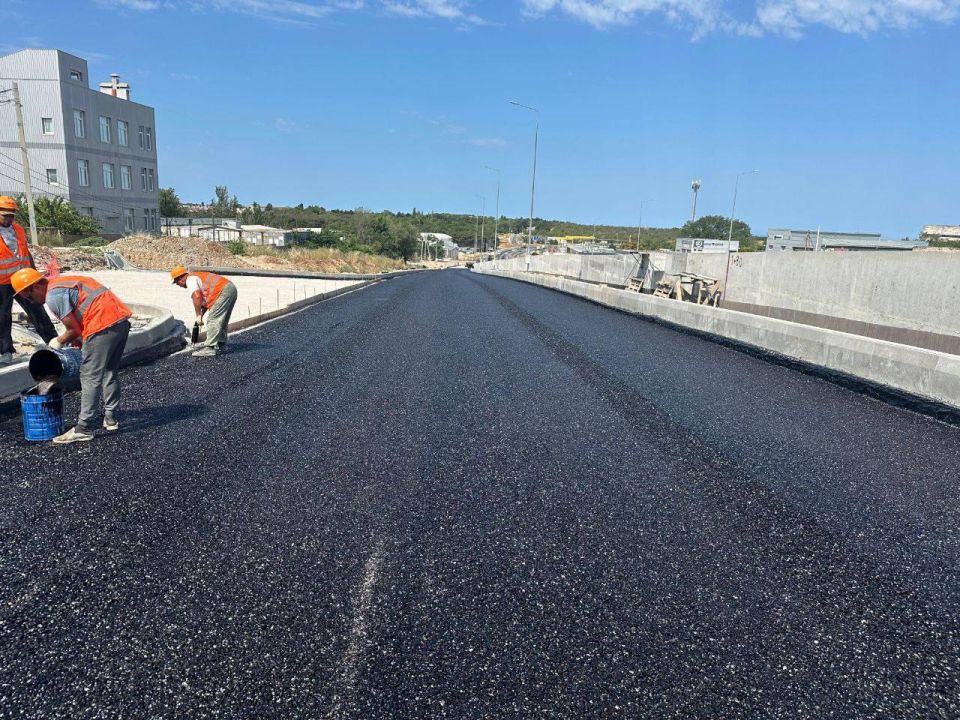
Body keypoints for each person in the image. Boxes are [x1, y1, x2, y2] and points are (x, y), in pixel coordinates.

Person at [11, 268, 132, 444]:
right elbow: (82, 315)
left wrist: (58, 341)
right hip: (120, 321)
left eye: (29, 298)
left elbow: (73, 330)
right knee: (108, 370)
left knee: (89, 376)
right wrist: (81, 342)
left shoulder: (53, 297)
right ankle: (111, 418)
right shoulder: (63, 283)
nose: (32, 302)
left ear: (36, 286)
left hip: (101, 324)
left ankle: (83, 429)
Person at [0, 196, 56, 364]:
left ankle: (54, 342)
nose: (9, 219)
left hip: (24, 278)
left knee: (37, 310)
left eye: (11, 216)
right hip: (2, 282)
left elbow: (25, 252)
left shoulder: (18, 229)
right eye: (5, 216)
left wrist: (34, 273)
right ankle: (6, 351)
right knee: (2, 317)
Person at [170, 266, 237, 358]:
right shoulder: (196, 276)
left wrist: (198, 315)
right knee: (222, 319)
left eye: (177, 282)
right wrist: (201, 315)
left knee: (213, 319)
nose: (178, 285)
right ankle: (220, 342)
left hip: (222, 290)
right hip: (230, 288)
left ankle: (210, 348)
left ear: (180, 278)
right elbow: (204, 301)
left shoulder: (190, 280)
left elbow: (197, 296)